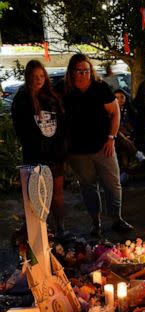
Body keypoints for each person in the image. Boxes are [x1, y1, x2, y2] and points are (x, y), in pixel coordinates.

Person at [61, 53, 133, 237]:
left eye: (86, 70)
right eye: (79, 71)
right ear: (72, 71)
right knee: (88, 187)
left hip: (103, 147)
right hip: (78, 151)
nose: (83, 74)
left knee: (113, 184)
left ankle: (117, 219)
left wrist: (111, 137)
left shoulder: (100, 88)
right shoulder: (64, 89)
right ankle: (95, 222)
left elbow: (115, 112)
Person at [11, 60, 67, 237]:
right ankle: (38, 232)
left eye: (41, 76)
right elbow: (22, 130)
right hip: (35, 155)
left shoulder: (51, 96)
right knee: (38, 196)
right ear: (28, 77)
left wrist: (62, 148)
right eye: (34, 77)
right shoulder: (22, 100)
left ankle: (60, 228)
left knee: (57, 194)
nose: (38, 80)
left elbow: (62, 125)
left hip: (55, 153)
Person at [114, 89, 145, 184]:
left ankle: (124, 174)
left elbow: (134, 126)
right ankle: (137, 153)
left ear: (126, 98)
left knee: (124, 149)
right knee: (119, 134)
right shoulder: (111, 110)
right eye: (116, 98)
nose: (119, 100)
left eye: (122, 97)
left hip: (128, 137)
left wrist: (129, 134)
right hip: (114, 137)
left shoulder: (130, 110)